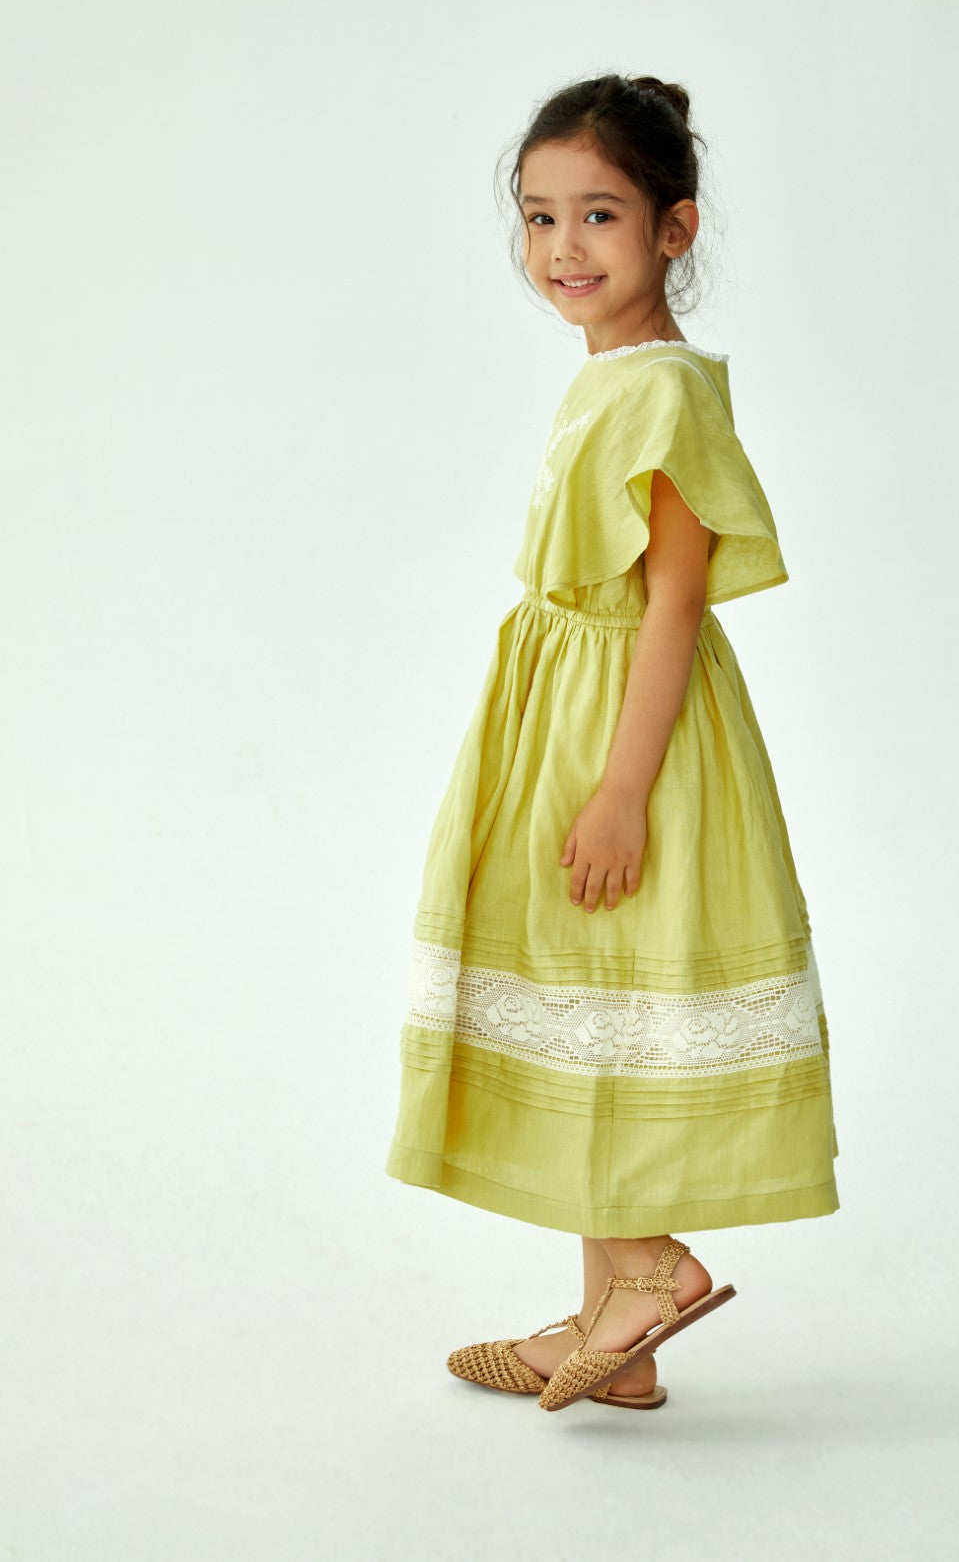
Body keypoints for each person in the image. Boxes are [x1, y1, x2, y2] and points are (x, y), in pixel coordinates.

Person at [384, 72, 840, 1414]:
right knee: (589, 998)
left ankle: (646, 1271)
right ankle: (611, 1336)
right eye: (540, 218)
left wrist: (622, 790)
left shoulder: (666, 392)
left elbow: (676, 599)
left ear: (673, 229)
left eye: (599, 214)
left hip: (622, 725)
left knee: (603, 975)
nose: (564, 247)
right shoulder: (612, 379)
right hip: (564, 709)